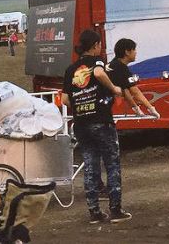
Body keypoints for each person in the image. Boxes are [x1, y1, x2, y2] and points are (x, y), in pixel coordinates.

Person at [63, 29, 131, 223]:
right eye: (99, 44)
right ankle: (116, 209)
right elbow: (100, 73)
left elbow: (66, 100)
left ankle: (94, 212)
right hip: (101, 120)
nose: (101, 47)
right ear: (95, 46)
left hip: (81, 123)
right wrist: (114, 89)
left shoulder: (70, 69)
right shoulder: (96, 62)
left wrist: (81, 103)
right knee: (112, 163)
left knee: (91, 166)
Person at [108, 38, 159, 118]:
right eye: (134, 50)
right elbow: (135, 91)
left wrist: (136, 109)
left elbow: (125, 90)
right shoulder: (121, 67)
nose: (136, 52)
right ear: (127, 52)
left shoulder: (114, 64)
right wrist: (151, 108)